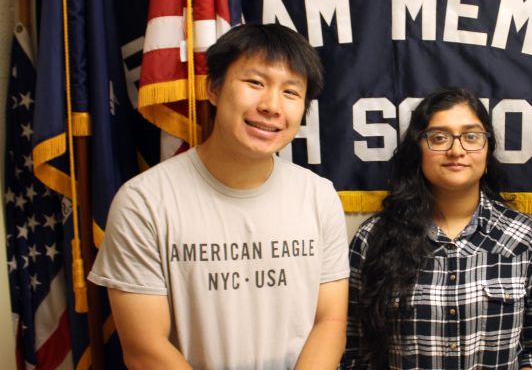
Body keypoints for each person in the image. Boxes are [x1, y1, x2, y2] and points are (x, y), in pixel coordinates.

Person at [88, 23, 350, 369]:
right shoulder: (144, 202)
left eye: (290, 92)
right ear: (213, 88)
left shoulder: (319, 197)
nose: (272, 106)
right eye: (255, 83)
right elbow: (144, 347)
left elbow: (329, 322)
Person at [340, 87, 532, 369]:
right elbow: (352, 350)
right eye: (439, 138)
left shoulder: (524, 239)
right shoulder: (372, 239)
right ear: (417, 150)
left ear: (487, 149)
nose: (456, 150)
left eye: (471, 137)